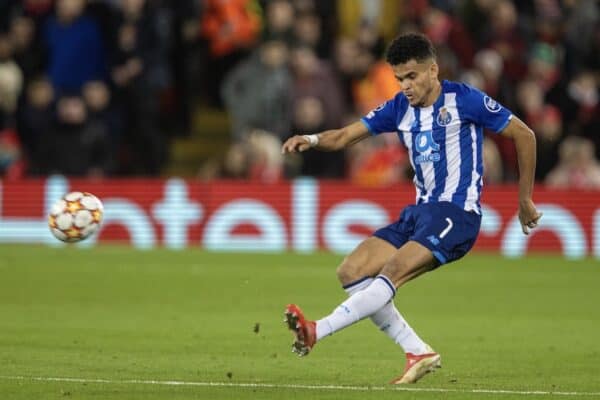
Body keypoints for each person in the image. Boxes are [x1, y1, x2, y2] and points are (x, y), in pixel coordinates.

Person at [280, 33, 542, 385]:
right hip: (418, 213)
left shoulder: (464, 100)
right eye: (399, 78)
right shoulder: (399, 109)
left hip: (456, 213)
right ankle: (417, 351)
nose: (405, 85)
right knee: (351, 270)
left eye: (412, 77)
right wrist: (310, 139)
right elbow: (344, 136)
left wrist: (524, 199)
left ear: (433, 70)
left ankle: (316, 331)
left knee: (391, 272)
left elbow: (525, 135)